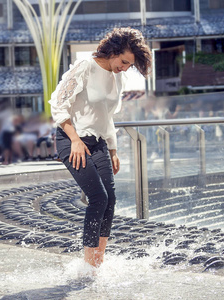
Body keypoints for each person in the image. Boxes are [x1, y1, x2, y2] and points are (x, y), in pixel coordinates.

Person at [50, 27, 151, 269]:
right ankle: (88, 265)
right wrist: (74, 139)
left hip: (98, 143)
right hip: (72, 140)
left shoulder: (117, 76)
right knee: (98, 198)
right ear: (113, 51)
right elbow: (58, 104)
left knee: (111, 199)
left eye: (129, 65)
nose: (125, 68)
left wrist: (113, 150)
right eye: (124, 62)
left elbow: (106, 116)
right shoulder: (85, 66)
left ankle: (98, 261)